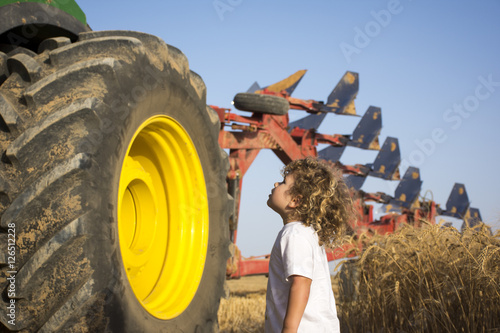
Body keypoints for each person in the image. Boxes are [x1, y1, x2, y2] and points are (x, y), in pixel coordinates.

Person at [265, 157, 355, 333]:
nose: (276, 183)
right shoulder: (307, 233)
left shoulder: (294, 234)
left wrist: (289, 330)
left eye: (283, 182)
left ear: (295, 201)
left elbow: (301, 284)